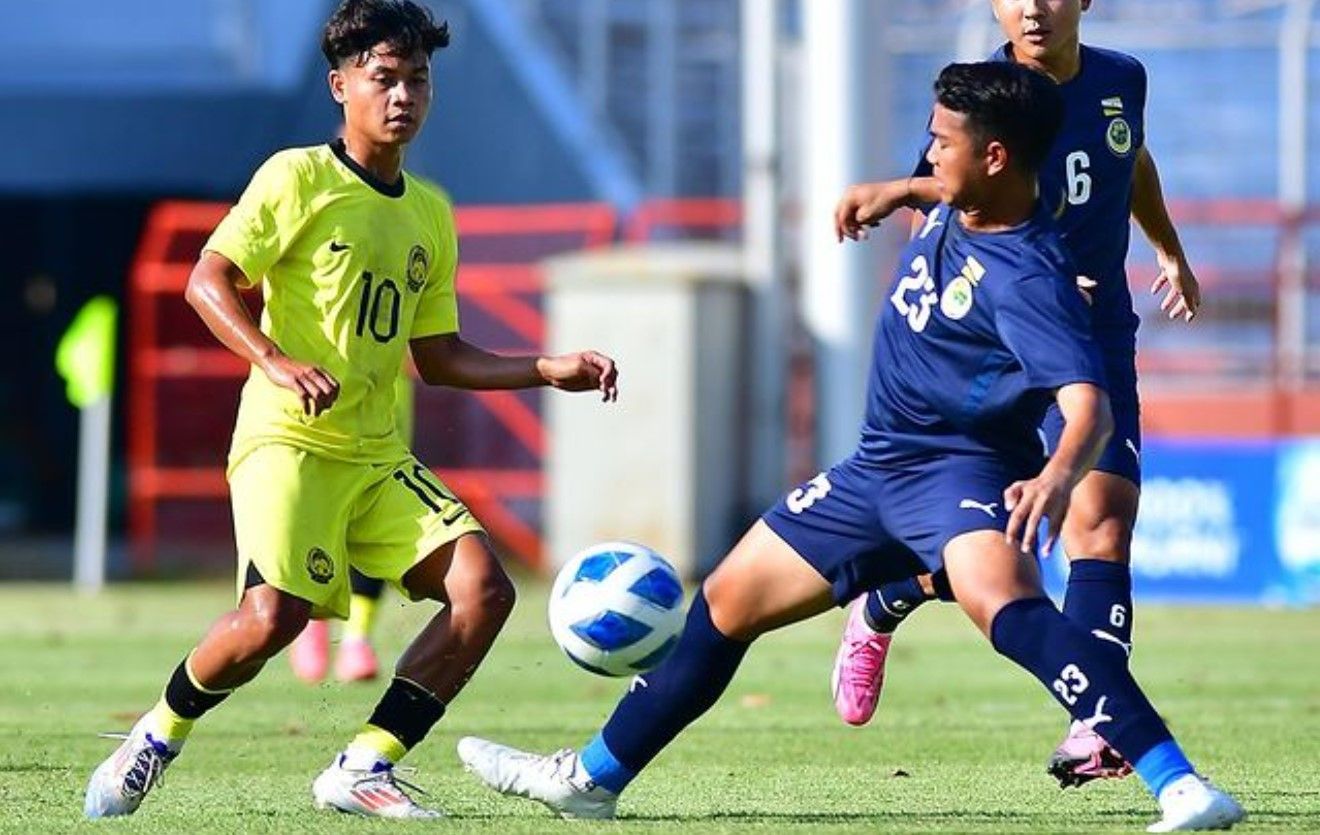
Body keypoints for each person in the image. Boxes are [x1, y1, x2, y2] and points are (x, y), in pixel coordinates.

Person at [456, 62, 1244, 833]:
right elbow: (943, 187)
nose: (929, 154)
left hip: (953, 476)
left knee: (1015, 614)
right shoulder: (967, 197)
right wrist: (898, 189)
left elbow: (1089, 405)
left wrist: (1057, 477)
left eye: (941, 142)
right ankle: (592, 780)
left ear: (994, 156)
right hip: (872, 471)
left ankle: (1180, 786)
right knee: (725, 604)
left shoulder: (1030, 277)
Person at [84, 0, 618, 820]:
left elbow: (438, 357)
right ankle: (155, 734)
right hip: (285, 441)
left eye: (417, 78)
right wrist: (277, 359)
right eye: (383, 78)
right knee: (272, 620)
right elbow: (206, 280)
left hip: (375, 452)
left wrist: (547, 368)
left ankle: (366, 762)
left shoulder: (430, 212)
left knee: (484, 590)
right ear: (341, 87)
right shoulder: (296, 177)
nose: (402, 95)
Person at [830, 0, 1201, 788]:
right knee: (992, 553)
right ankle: (889, 595)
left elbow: (1130, 160)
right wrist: (902, 191)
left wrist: (1167, 248)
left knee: (1102, 519)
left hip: (1097, 331)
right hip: (1002, 344)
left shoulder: (1122, 78)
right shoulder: (981, 96)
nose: (1033, 8)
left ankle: (1093, 728)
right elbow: (952, 203)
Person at [289, 374, 414, 684]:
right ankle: (312, 619)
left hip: (383, 388)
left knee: (375, 516)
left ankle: (357, 638)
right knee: (318, 516)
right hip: (318, 390)